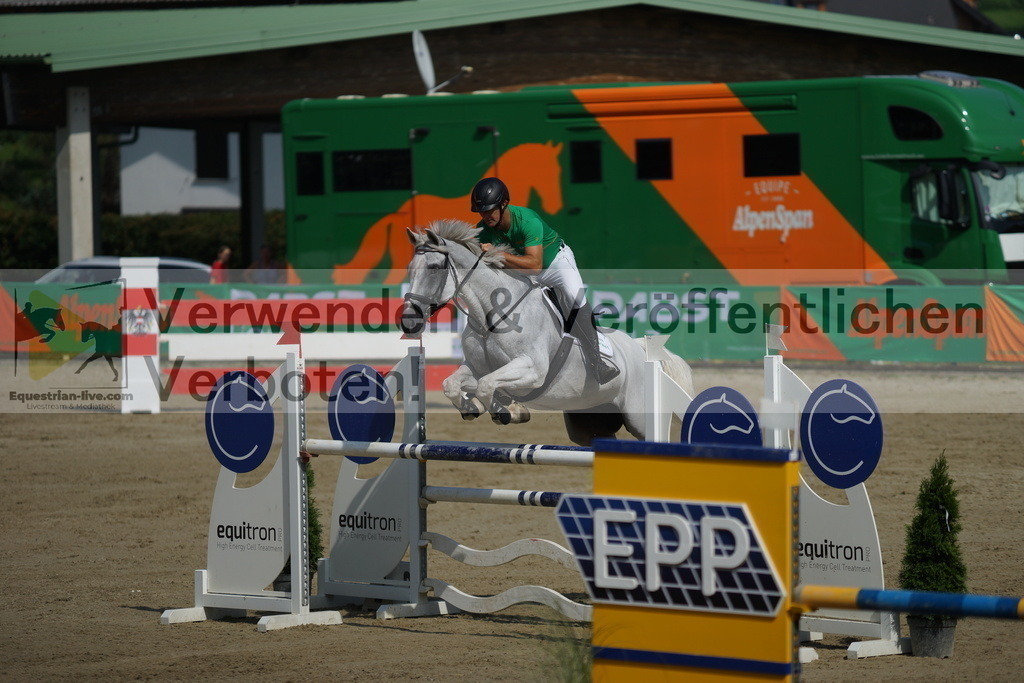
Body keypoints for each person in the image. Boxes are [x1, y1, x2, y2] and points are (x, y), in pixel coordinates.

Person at [471, 176, 620, 384]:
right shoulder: (483, 230)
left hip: (556, 264)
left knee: (574, 298)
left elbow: (535, 265)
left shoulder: (527, 220)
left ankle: (598, 363)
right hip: (522, 270)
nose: (485, 215)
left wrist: (498, 254)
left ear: (503, 204)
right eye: (481, 211)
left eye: (489, 209)